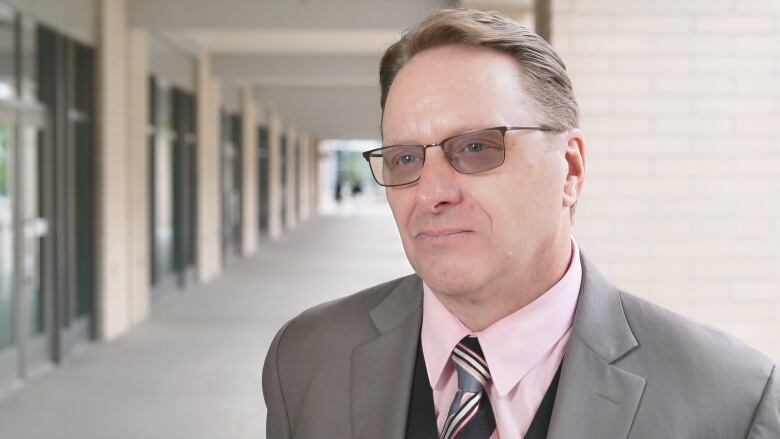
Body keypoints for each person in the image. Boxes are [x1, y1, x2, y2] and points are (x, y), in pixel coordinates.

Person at [262, 9, 779, 439]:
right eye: (405, 159)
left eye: (476, 148)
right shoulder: (306, 358)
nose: (432, 193)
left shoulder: (731, 402)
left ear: (570, 170)